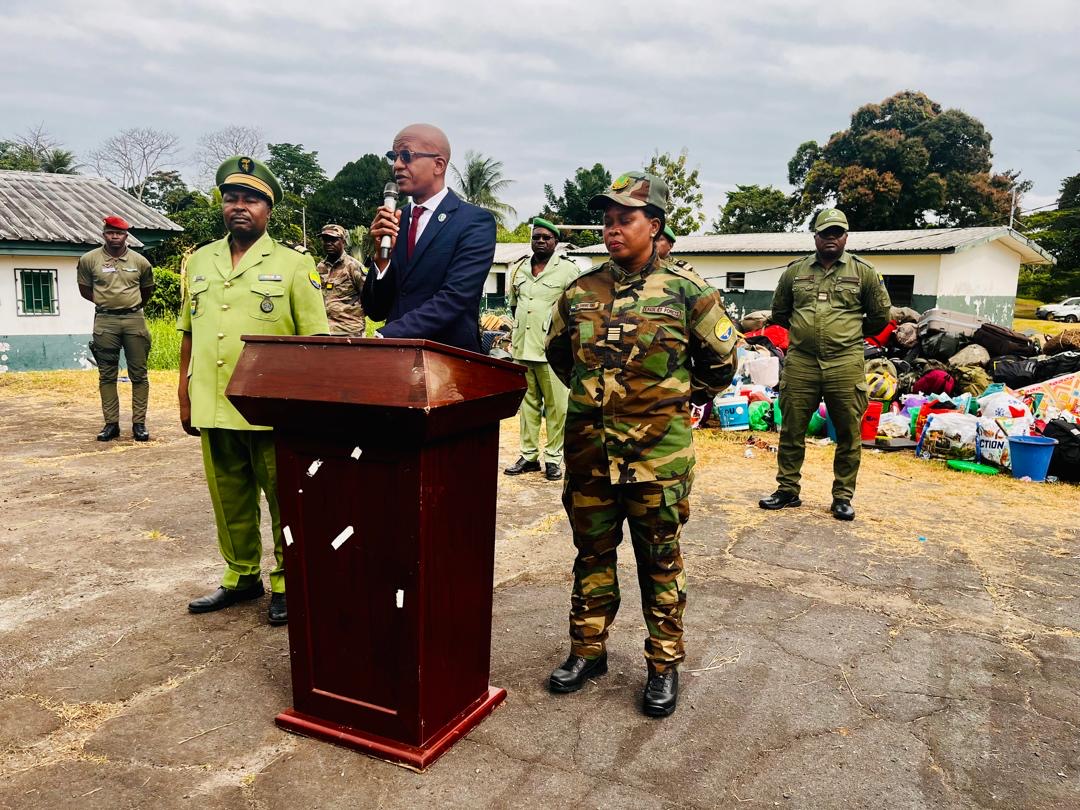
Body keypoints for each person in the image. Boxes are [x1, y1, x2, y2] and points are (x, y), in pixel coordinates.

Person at [545, 172, 738, 717]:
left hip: (658, 459)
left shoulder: (687, 291)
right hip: (589, 452)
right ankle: (588, 650)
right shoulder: (580, 291)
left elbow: (722, 364)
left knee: (660, 561)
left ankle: (663, 664)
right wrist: (599, 402)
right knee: (592, 554)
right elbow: (560, 356)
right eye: (607, 221)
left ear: (653, 226)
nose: (612, 229)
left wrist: (669, 401)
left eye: (624, 219)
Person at [178, 156, 328, 626]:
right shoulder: (200, 260)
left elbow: (316, 343)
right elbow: (189, 332)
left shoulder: (294, 265)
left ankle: (288, 580)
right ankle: (241, 574)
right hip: (213, 401)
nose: (239, 206)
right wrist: (184, 394)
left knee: (285, 499)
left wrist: (307, 408)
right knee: (229, 498)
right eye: (231, 198)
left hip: (272, 410)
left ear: (269, 209)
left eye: (251, 199)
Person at [759, 208, 892, 521]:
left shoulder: (864, 272)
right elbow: (780, 312)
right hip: (802, 362)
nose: (831, 238)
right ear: (815, 236)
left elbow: (880, 317)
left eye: (837, 233)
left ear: (846, 236)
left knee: (848, 433)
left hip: (845, 362)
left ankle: (842, 497)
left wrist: (846, 334)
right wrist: (804, 332)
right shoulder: (795, 271)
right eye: (825, 233)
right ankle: (787, 490)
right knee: (792, 428)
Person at [361, 123, 496, 353]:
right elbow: (375, 310)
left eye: (406, 156)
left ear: (438, 165)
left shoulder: (474, 222)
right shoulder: (395, 220)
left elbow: (454, 298)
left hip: (449, 360)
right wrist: (382, 260)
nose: (397, 165)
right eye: (394, 156)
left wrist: (388, 334)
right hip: (395, 358)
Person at [503, 218, 580, 482]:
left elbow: (576, 309)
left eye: (547, 238)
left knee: (558, 408)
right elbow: (515, 305)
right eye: (536, 237)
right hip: (523, 348)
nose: (541, 241)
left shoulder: (568, 270)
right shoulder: (519, 268)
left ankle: (554, 459)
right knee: (528, 407)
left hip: (553, 352)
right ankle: (528, 456)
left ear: (556, 242)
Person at [77, 216, 155, 442]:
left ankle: (139, 424)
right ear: (104, 234)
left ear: (126, 236)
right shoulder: (89, 260)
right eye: (110, 233)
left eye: (119, 233)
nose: (114, 237)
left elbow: (147, 290)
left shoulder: (140, 262)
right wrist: (107, 303)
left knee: (139, 374)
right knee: (106, 375)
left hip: (134, 320)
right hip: (105, 321)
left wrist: (131, 305)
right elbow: (84, 289)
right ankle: (111, 424)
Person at [316, 224, 367, 335]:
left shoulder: (354, 266)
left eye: (333, 240)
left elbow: (368, 297)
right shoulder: (320, 267)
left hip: (349, 331)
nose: (328, 243)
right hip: (324, 331)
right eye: (325, 240)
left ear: (343, 241)